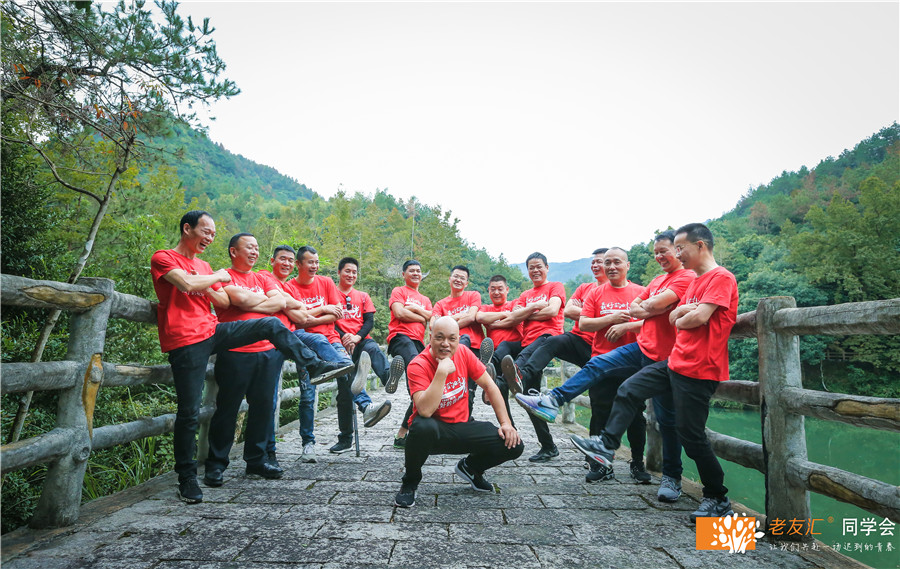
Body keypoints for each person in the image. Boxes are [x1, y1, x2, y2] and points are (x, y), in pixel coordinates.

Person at [150, 211, 350, 504]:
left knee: (270, 325)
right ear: (187, 228)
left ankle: (314, 365)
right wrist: (217, 278)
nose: (210, 238)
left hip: (213, 330)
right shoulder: (164, 257)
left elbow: (222, 299)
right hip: (186, 340)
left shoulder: (203, 266)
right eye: (206, 232)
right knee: (190, 412)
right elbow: (187, 285)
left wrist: (214, 284)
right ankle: (187, 477)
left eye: (213, 234)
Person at [570, 223, 739, 522]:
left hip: (700, 369)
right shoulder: (696, 282)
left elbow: (695, 317)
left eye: (680, 248)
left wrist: (684, 314)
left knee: (691, 436)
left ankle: (717, 497)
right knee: (629, 390)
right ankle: (606, 446)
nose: (678, 254)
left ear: (700, 245)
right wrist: (683, 314)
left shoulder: (721, 277)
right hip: (673, 362)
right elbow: (677, 317)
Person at [518, 234, 693, 493]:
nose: (610, 266)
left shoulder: (682, 278)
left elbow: (648, 309)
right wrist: (629, 315)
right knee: (600, 396)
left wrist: (637, 317)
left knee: (652, 416)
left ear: (627, 265)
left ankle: (651, 469)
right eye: (606, 262)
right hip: (624, 350)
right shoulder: (652, 283)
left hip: (659, 357)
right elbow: (599, 318)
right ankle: (591, 451)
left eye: (616, 262)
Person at [393, 317, 524, 508]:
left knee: (513, 444)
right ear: (430, 337)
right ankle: (410, 483)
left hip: (463, 427)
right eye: (439, 337)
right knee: (421, 425)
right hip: (432, 434)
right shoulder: (417, 365)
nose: (445, 344)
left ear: (458, 339)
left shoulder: (463, 352)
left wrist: (506, 424)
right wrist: (441, 372)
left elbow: (490, 386)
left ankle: (471, 468)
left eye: (452, 338)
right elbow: (425, 410)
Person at [284, 246, 391, 454]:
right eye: (310, 262)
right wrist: (323, 310)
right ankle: (308, 444)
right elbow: (298, 321)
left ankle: (367, 406)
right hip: (306, 346)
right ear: (299, 264)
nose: (314, 266)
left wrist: (311, 317)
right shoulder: (289, 288)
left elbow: (336, 315)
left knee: (347, 372)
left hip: (332, 340)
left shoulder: (326, 282)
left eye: (317, 262)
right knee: (308, 395)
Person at [203, 233, 289, 487]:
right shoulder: (223, 276)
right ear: (233, 251)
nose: (254, 252)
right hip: (235, 352)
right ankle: (216, 465)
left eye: (257, 247)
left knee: (263, 408)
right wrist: (260, 303)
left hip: (267, 351)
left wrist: (249, 304)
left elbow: (280, 301)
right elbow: (240, 299)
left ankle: (256, 461)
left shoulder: (262, 277)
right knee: (227, 409)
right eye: (249, 247)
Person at [499, 252, 566, 462]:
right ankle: (548, 446)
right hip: (528, 343)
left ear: (547, 268)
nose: (535, 270)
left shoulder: (555, 286)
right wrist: (535, 307)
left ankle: (513, 375)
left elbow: (552, 311)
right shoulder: (525, 295)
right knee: (531, 400)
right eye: (531, 267)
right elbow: (513, 317)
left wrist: (527, 313)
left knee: (513, 374)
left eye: (539, 266)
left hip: (548, 339)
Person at [257, 245, 321, 464]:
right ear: (272, 260)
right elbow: (287, 308)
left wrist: (289, 303)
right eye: (282, 259)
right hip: (269, 345)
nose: (286, 263)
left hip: (293, 341)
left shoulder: (290, 287)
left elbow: (302, 316)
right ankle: (269, 452)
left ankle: (306, 444)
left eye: (289, 260)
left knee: (307, 393)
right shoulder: (264, 278)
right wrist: (289, 304)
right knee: (269, 399)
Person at [334, 256, 405, 394]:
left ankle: (388, 377)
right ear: (339, 272)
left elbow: (369, 321)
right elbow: (329, 322)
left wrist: (356, 337)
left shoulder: (363, 296)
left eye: (354, 272)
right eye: (347, 271)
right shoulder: (330, 295)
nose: (351, 275)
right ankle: (353, 403)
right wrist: (344, 336)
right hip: (340, 343)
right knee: (347, 388)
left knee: (373, 348)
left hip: (362, 340)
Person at [430, 265, 492, 414]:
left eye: (462, 278)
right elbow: (432, 325)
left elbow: (471, 317)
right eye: (456, 276)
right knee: (454, 388)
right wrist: (459, 317)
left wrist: (446, 322)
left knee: (469, 390)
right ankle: (452, 419)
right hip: (450, 348)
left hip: (474, 348)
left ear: (467, 283)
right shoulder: (440, 304)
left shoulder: (473, 295)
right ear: (449, 279)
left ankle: (465, 420)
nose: (458, 280)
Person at [387, 260, 433, 448]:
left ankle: (402, 434)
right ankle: (390, 374)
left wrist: (413, 309)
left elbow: (431, 318)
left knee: (426, 386)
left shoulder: (426, 299)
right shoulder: (399, 291)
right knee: (418, 379)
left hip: (419, 343)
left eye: (418, 271)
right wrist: (421, 316)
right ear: (404, 274)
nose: (415, 273)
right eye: (411, 270)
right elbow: (399, 313)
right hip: (400, 338)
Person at [474, 275, 525, 417]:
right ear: (488, 290)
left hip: (516, 351)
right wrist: (505, 314)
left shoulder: (515, 303)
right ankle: (508, 426)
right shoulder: (486, 308)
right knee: (500, 398)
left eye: (500, 289)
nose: (496, 292)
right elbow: (480, 317)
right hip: (499, 356)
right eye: (493, 289)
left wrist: (495, 323)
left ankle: (485, 370)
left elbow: (515, 319)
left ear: (507, 290)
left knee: (505, 344)